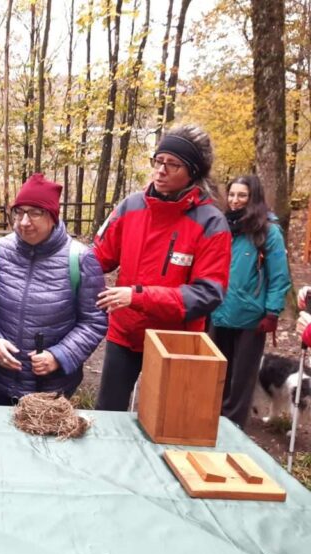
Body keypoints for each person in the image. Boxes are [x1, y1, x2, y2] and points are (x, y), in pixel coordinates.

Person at [93, 125, 231, 411]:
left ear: (193, 172)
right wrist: (61, 263)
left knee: (164, 422)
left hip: (175, 342)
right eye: (158, 161)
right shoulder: (130, 206)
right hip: (124, 334)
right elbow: (97, 259)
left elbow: (207, 295)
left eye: (172, 164)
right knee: (108, 415)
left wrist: (138, 296)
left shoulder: (211, 223)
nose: (161, 170)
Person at [0, 174, 107, 405]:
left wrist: (60, 355)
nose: (24, 222)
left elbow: (94, 321)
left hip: (52, 389)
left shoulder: (80, 258)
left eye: (35, 212)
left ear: (53, 217)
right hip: (1, 381)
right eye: (19, 212)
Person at [209, 176, 291, 427]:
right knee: (217, 374)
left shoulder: (268, 231)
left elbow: (279, 276)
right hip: (219, 311)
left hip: (251, 318)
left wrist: (271, 312)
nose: (235, 201)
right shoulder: (222, 226)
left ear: (253, 197)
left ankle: (232, 429)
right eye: (232, 195)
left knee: (241, 380)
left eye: (241, 195)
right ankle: (212, 423)